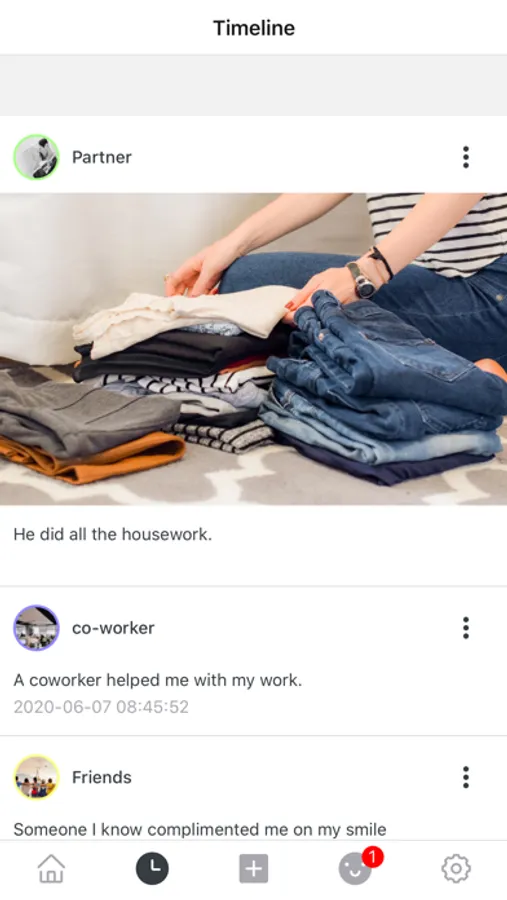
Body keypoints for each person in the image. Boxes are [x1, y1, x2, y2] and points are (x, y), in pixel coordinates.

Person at [164, 193, 507, 372]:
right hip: (428, 279)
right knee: (237, 281)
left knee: (246, 286)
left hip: (487, 290)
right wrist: (228, 247)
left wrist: (368, 273)